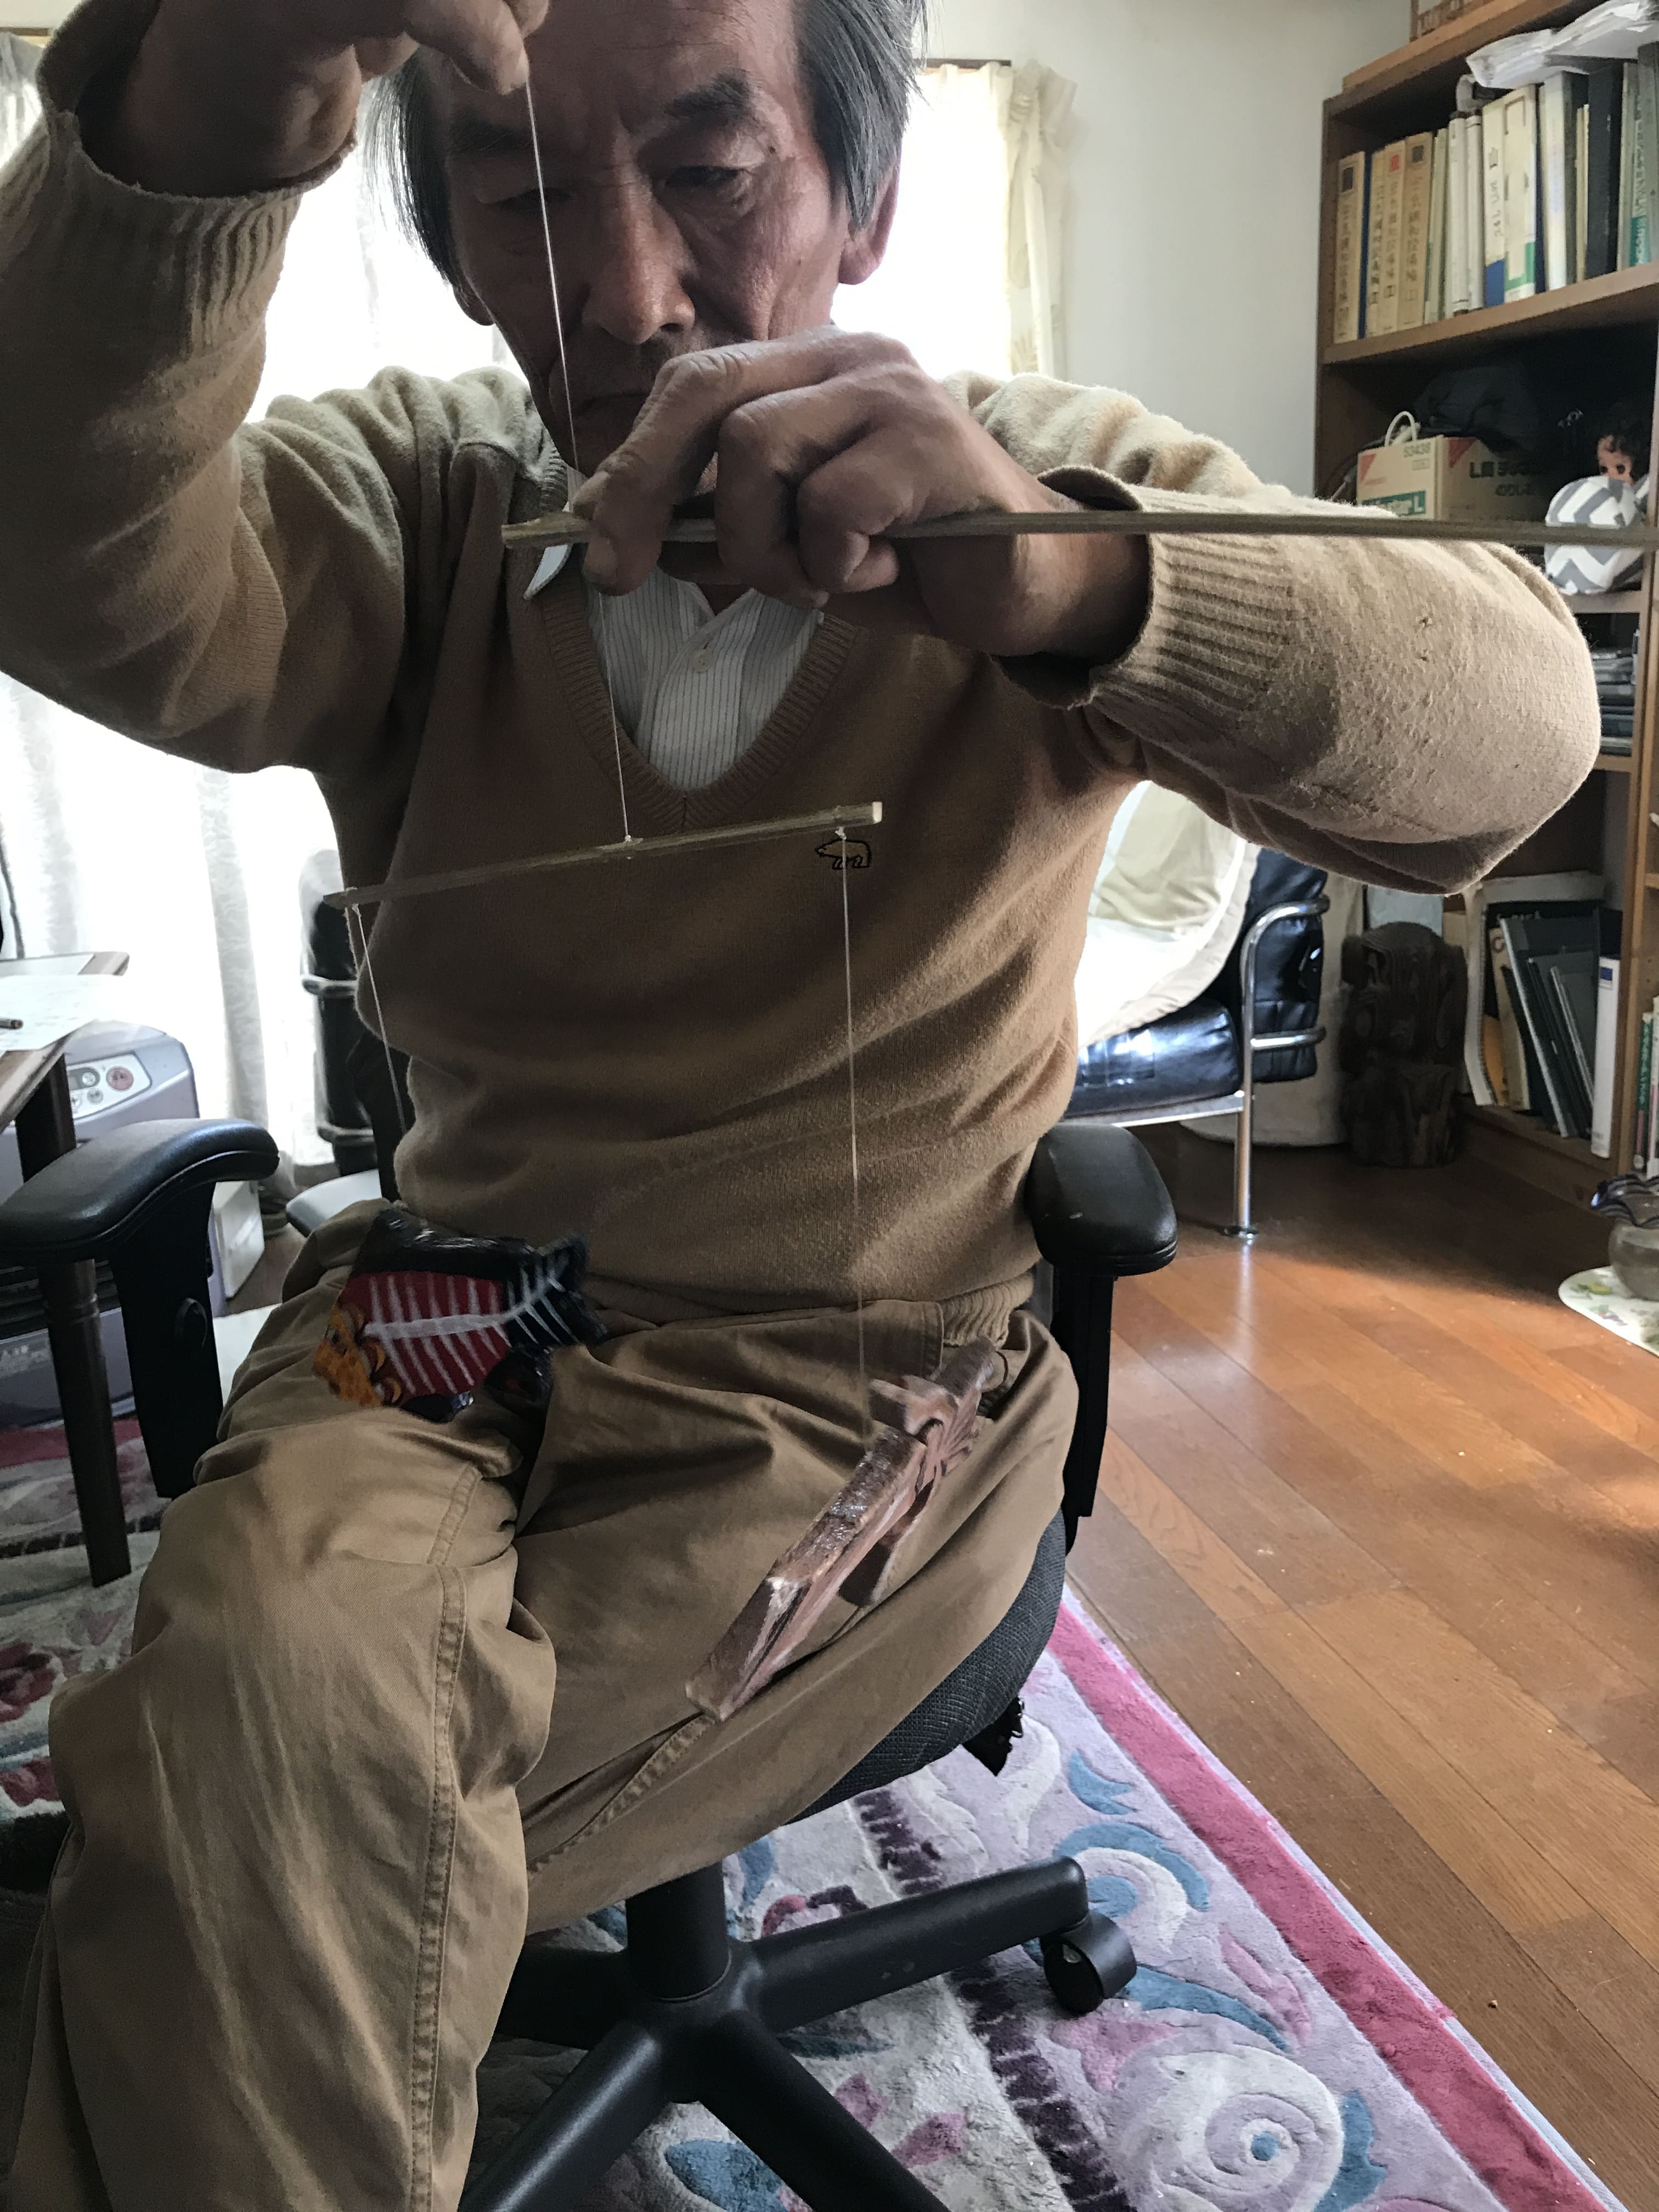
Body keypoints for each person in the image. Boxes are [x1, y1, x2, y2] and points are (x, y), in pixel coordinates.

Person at [0, 0, 1599, 2203]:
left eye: (709, 167)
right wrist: (215, 89)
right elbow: (73, 556)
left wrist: (1077, 570)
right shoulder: (421, 507)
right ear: (445, 244)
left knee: (236, 1816)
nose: (625, 289)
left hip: (857, 1378)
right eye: (518, 189)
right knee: (257, 1690)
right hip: (437, 1323)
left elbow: (1511, 732)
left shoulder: (1034, 473)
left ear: (865, 193)